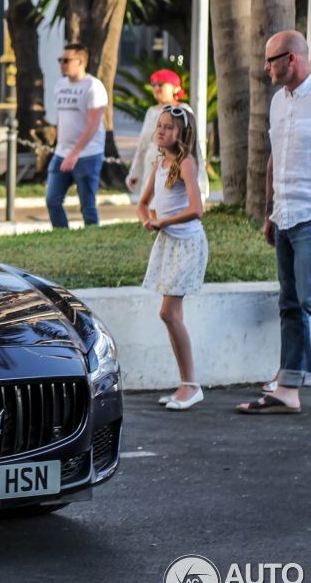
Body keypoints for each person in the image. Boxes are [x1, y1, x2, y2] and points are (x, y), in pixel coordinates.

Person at [237, 30, 311, 414]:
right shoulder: (279, 102)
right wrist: (270, 211)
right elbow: (274, 158)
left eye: (271, 60)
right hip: (285, 216)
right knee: (290, 304)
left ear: (291, 59)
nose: (265, 67)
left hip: (310, 216)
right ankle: (288, 388)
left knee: (308, 299)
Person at [136, 106, 208, 410]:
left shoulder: (186, 164)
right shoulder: (159, 163)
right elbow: (143, 203)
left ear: (182, 133)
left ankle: (190, 385)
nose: (161, 131)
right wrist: (147, 219)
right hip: (168, 244)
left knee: (169, 313)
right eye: (159, 126)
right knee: (169, 314)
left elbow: (197, 209)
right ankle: (186, 384)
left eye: (168, 127)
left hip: (187, 244)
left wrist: (163, 222)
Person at [47, 42, 108, 228]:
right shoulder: (60, 85)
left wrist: (76, 152)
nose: (62, 64)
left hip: (87, 154)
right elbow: (61, 118)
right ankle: (62, 234)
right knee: (52, 200)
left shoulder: (93, 86)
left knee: (87, 205)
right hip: (61, 152)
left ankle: (92, 236)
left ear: (81, 61)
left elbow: (94, 123)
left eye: (66, 60)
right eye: (60, 60)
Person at [127, 69, 208, 200]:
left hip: (175, 169)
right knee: (150, 211)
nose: (157, 88)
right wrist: (134, 173)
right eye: (154, 85)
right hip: (151, 168)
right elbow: (143, 144)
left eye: (161, 84)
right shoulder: (151, 112)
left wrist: (201, 182)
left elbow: (193, 145)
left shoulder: (183, 111)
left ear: (175, 88)